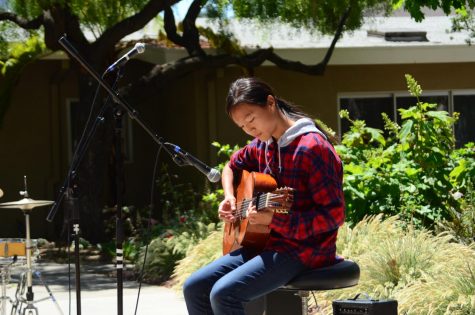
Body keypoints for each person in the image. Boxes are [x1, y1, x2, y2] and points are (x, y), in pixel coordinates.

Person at [183, 77, 345, 315]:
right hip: (266, 244)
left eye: (251, 119)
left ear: (270, 103)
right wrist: (229, 197)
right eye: (242, 126)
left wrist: (274, 221)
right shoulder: (263, 144)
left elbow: (334, 215)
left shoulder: (313, 148)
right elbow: (231, 166)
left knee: (224, 294)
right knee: (194, 287)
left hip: (305, 250)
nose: (249, 129)